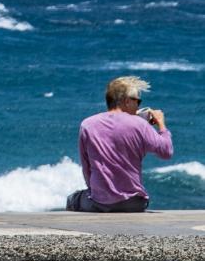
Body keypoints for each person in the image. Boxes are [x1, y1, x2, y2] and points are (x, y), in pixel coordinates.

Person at [67, 74, 172, 213]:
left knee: (72, 199)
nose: (138, 106)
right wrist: (161, 124)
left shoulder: (87, 125)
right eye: (137, 101)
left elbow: (86, 168)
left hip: (100, 202)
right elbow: (166, 151)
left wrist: (96, 192)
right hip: (135, 203)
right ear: (127, 101)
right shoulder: (140, 125)